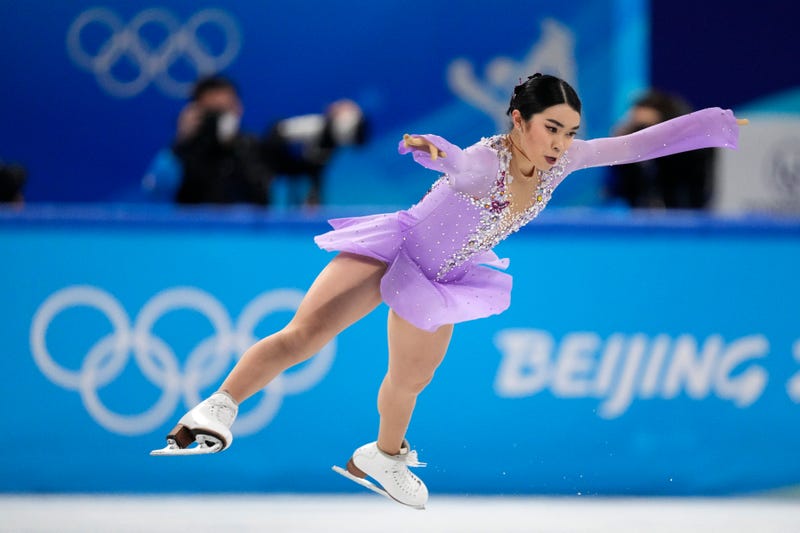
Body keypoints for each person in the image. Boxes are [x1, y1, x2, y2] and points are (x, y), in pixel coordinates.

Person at [151, 74, 745, 509]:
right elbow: (457, 164)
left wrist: (714, 123)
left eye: (569, 131)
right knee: (303, 335)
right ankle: (215, 410)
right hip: (395, 247)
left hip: (440, 277)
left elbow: (637, 145)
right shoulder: (486, 162)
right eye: (550, 128)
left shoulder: (564, 162)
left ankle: (380, 457)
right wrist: (432, 150)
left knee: (410, 381)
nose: (562, 142)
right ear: (518, 120)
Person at [153, 75, 272, 206]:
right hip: (193, 225)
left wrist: (237, 149)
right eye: (212, 113)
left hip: (242, 225)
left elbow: (269, 198)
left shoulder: (252, 146)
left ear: (238, 108)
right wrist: (181, 141)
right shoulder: (182, 150)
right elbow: (156, 192)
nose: (218, 119)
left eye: (225, 111)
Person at [606, 90, 717, 208]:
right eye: (639, 128)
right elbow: (616, 189)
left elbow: (697, 190)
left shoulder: (693, 148)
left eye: (648, 127)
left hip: (685, 211)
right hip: (640, 213)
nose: (644, 134)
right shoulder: (632, 150)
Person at [261, 99, 368, 205]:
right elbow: (279, 131)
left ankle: (312, 206)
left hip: (308, 164)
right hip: (279, 153)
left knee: (315, 177)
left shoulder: (332, 140)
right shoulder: (315, 126)